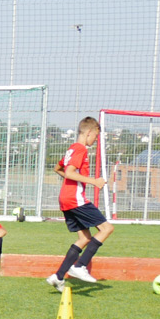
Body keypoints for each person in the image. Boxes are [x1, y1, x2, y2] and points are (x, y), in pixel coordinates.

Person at [46, 116, 113, 291]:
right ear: (89, 132)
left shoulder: (72, 149)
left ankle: (58, 276)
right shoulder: (81, 149)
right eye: (96, 136)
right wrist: (94, 181)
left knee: (84, 238)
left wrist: (75, 181)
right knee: (106, 229)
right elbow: (69, 172)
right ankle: (80, 266)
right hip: (75, 199)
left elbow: (58, 168)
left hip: (65, 198)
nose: (95, 140)